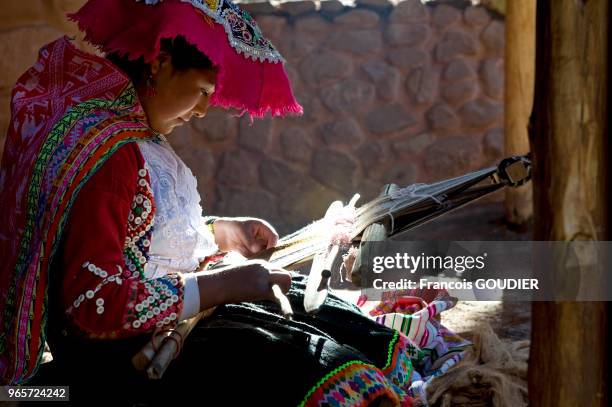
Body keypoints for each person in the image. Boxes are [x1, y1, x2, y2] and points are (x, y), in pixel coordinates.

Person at [0, 1, 418, 405]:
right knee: (316, 363)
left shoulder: (134, 139)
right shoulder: (114, 155)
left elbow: (140, 235)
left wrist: (221, 231)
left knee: (331, 317)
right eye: (202, 90)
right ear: (160, 63)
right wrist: (224, 285)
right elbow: (93, 304)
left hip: (164, 328)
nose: (203, 110)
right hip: (128, 362)